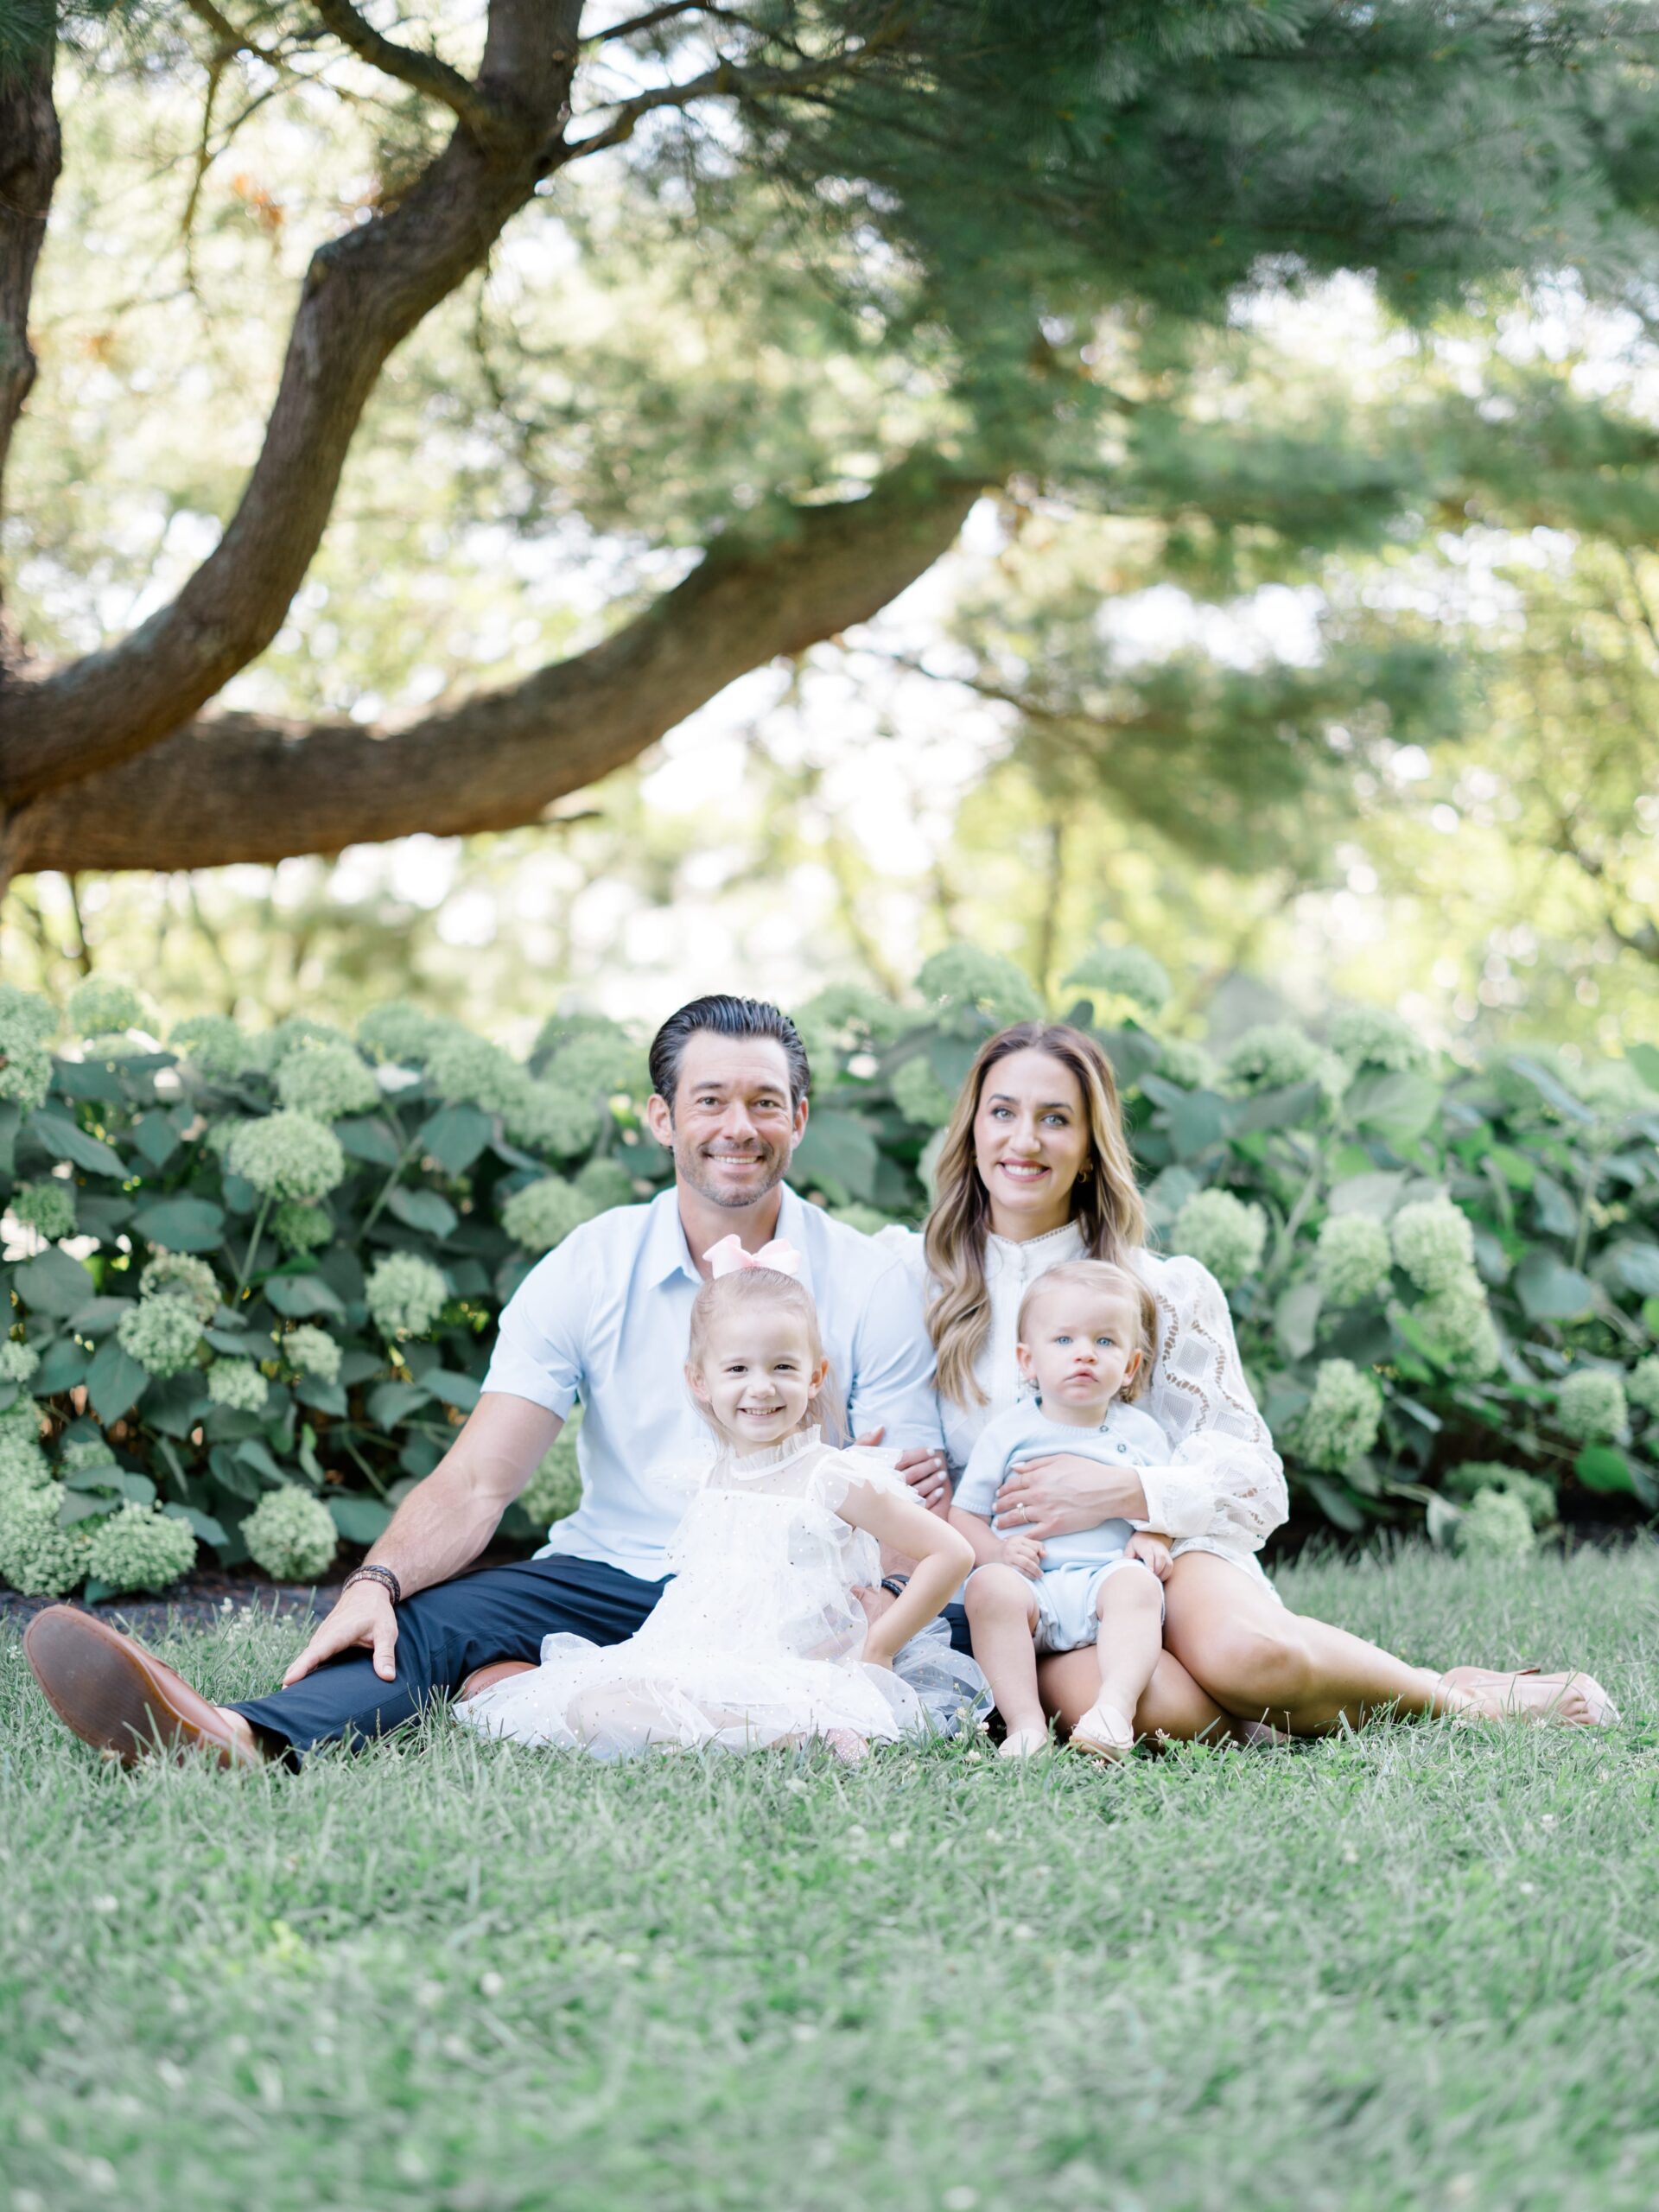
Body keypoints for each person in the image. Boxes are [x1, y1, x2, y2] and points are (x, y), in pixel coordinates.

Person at [22, 994, 978, 1767]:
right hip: (616, 1569)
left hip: (782, 1586)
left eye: (766, 1101)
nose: (740, 1125)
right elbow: (482, 1480)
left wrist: (867, 1621)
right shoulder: (588, 1265)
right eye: (710, 1099)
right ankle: (238, 1735)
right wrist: (376, 1577)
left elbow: (904, 1482)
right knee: (433, 1618)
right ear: (663, 1118)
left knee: (879, 1650)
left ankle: (534, 1688)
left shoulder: (865, 1277)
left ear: (799, 1117)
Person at [893, 1019, 1618, 1740]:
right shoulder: (924, 1289)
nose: (1025, 1141)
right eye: (1003, 1113)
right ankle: (1252, 1691)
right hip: (1031, 1589)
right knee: (1175, 1713)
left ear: (1089, 1149)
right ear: (973, 1130)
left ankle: (1455, 1699)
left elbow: (1253, 1476)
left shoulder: (1164, 1289)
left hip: (1164, 1552)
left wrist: (1126, 1493)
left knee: (1250, 1656)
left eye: (1056, 1119)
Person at [456, 1249, 975, 1758]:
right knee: (592, 1706)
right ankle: (765, 1736)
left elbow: (952, 1553)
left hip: (802, 1670)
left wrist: (879, 1645)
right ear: (699, 1381)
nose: (762, 1386)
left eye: (783, 1366)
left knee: (605, 1711)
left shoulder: (829, 1475)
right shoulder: (710, 1476)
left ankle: (807, 1733)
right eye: (737, 1369)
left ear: (815, 1376)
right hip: (707, 1658)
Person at [953, 1259, 1175, 1761]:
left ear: (1131, 1366)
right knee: (989, 1588)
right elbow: (964, 1516)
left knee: (1138, 1585)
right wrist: (1000, 1551)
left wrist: (1154, 1537)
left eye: (1104, 1342)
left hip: (1104, 1584)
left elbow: (1159, 1503)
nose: (1085, 1356)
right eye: (1064, 1341)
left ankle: (1113, 1711)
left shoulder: (1140, 1433)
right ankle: (1025, 1725)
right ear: (1026, 1362)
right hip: (1032, 1590)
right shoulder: (1009, 1431)